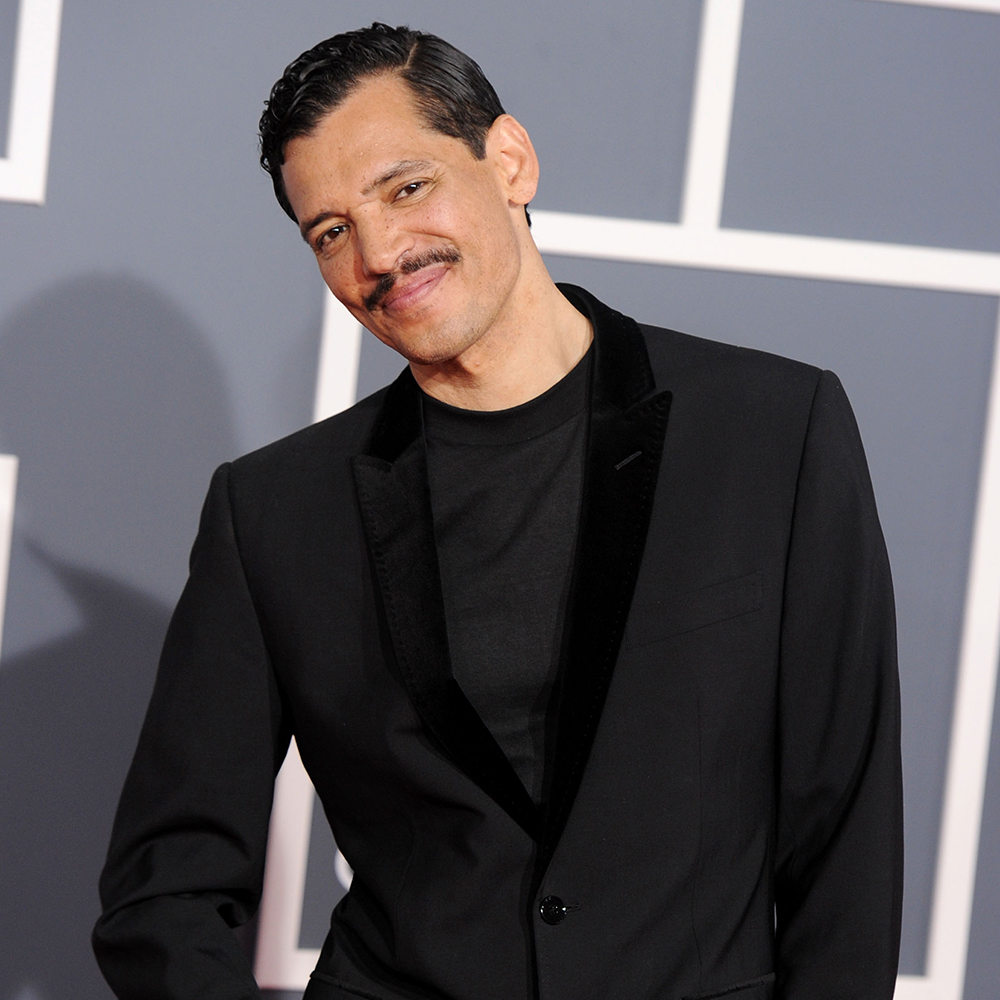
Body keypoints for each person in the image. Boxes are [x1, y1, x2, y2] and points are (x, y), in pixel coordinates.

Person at [93, 23, 903, 1000]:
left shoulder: (773, 429)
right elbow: (164, 887)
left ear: (509, 159)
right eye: (331, 231)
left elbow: (844, 839)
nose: (380, 253)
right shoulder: (272, 510)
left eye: (405, 188)